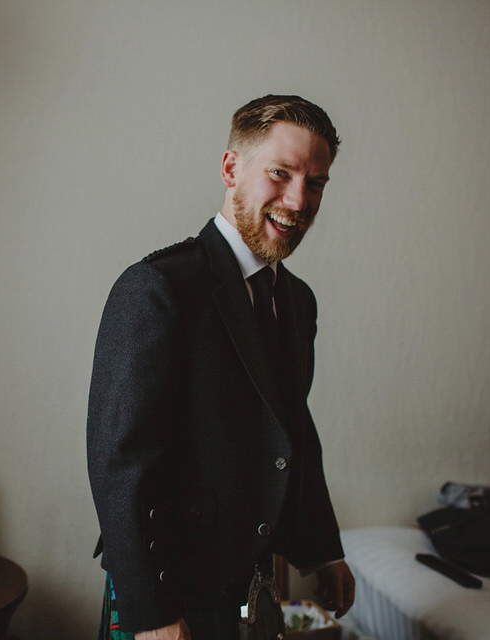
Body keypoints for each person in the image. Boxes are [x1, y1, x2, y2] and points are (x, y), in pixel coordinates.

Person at [87, 94, 355, 640]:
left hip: (251, 584)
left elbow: (291, 430)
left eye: (317, 182)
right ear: (232, 168)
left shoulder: (297, 301)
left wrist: (324, 550)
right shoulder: (159, 287)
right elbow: (121, 465)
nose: (299, 200)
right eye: (280, 174)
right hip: (168, 590)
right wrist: (152, 613)